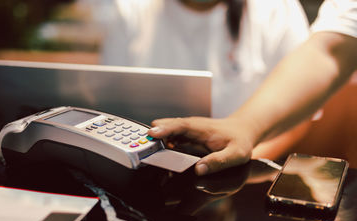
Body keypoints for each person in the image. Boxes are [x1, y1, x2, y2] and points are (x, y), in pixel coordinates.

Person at [147, 0, 357, 176]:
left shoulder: (274, 9)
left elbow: (331, 51)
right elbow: (329, 51)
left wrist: (245, 143)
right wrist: (244, 128)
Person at [98, 0, 311, 159]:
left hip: (243, 173)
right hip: (145, 166)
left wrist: (240, 161)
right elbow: (111, 100)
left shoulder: (276, 10)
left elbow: (300, 112)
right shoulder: (131, 9)